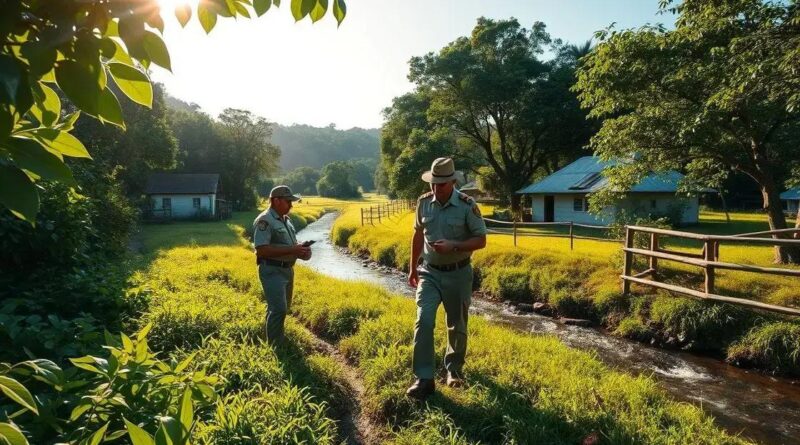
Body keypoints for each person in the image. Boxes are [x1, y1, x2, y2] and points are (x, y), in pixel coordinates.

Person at [406, 157, 488, 399]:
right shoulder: (423, 203)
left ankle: (454, 370)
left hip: (459, 273)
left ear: (452, 182)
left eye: (441, 184)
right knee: (424, 320)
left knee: (457, 324)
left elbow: (481, 240)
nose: (436, 188)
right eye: (433, 183)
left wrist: (454, 245)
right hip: (429, 273)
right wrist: (412, 268)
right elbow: (417, 236)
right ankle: (424, 378)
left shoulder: (467, 205)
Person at [253, 185, 312, 345]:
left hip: (287, 270)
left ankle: (271, 337)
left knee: (281, 308)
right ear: (276, 201)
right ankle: (275, 345)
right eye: (288, 202)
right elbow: (262, 250)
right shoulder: (264, 220)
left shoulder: (287, 220)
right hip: (271, 270)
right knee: (278, 309)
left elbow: (289, 245)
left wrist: (302, 251)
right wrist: (293, 249)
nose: (291, 205)